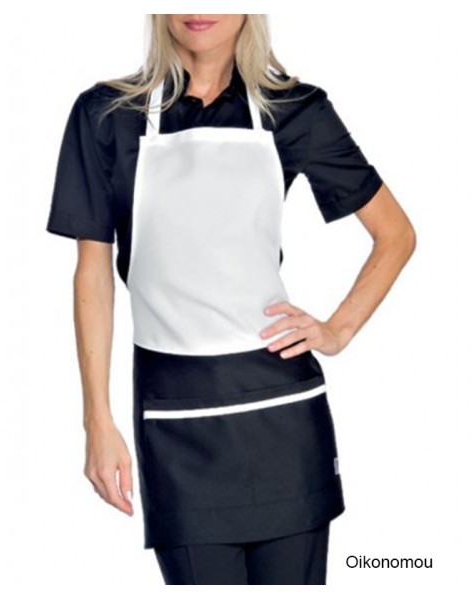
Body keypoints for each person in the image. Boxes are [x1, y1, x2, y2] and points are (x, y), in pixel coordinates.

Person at [46, 14, 416, 585]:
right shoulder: (105, 114)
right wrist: (97, 420)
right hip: (174, 419)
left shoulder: (294, 110)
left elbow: (395, 234)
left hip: (284, 419)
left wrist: (337, 330)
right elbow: (92, 276)